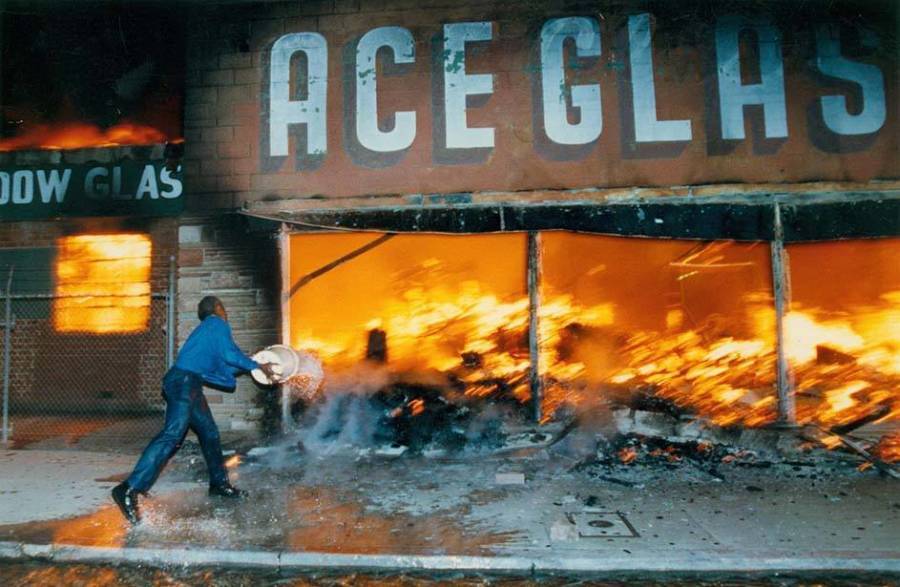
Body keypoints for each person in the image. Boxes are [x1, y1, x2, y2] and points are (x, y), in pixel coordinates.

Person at [112, 296, 275, 524]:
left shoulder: (206, 333)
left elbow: (225, 367)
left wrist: (252, 363)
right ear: (219, 308)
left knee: (209, 434)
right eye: (224, 309)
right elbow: (230, 355)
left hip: (188, 384)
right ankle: (129, 488)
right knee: (172, 435)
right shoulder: (217, 324)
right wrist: (257, 365)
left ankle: (219, 485)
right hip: (184, 383)